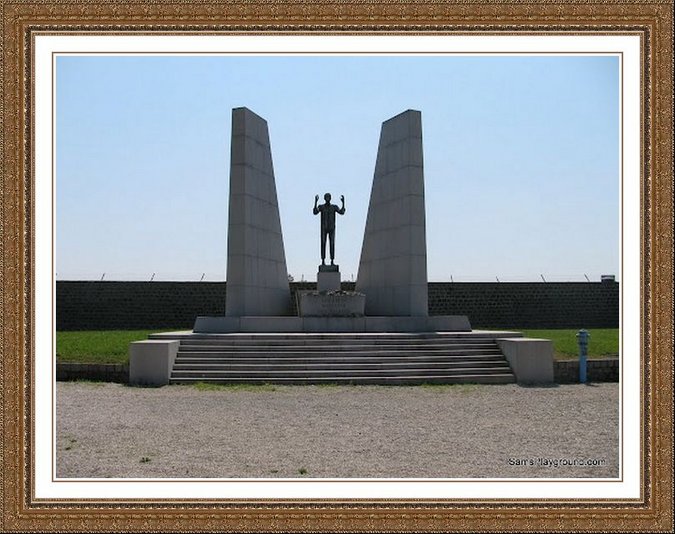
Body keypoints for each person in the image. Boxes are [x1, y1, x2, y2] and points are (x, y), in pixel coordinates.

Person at [313, 193, 346, 266]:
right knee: (323, 243)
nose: (327, 198)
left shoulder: (334, 207)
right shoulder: (321, 207)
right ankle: (323, 261)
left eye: (329, 197)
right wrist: (315, 202)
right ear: (324, 198)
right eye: (326, 197)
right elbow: (315, 212)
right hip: (323, 228)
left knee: (332, 244)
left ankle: (332, 260)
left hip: (332, 228)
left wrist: (343, 203)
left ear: (330, 198)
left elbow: (341, 212)